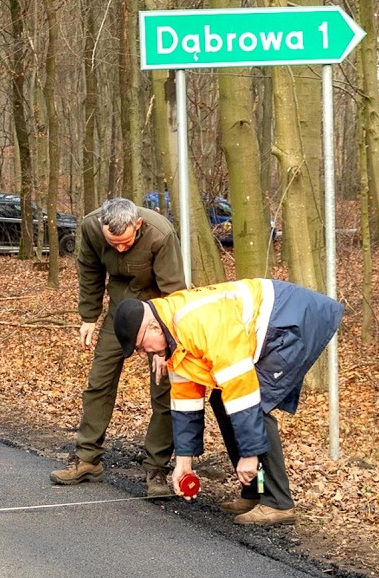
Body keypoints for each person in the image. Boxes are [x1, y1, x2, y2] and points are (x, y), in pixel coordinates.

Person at [114, 278, 344, 525]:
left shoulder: (201, 325)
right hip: (276, 321)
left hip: (292, 320)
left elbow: (242, 392)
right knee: (222, 401)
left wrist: (250, 453)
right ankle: (254, 490)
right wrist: (184, 462)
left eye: (140, 346)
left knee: (257, 404)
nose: (142, 354)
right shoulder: (173, 337)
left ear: (153, 328)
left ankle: (278, 502)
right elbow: (185, 403)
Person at [50, 197, 184, 498]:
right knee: (99, 380)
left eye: (126, 243)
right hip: (119, 312)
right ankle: (87, 458)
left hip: (158, 312)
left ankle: (157, 468)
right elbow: (90, 272)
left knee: (163, 388)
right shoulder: (91, 228)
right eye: (115, 243)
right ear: (102, 227)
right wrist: (88, 316)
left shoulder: (160, 234)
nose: (120, 249)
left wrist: (168, 344)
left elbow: (175, 292)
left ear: (138, 225)